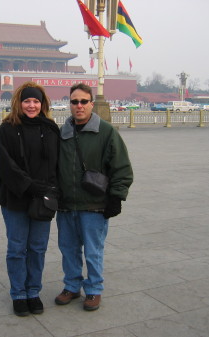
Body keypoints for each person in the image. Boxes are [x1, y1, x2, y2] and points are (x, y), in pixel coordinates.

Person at [55, 83, 133, 311]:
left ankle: (94, 289)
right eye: (74, 101)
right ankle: (71, 286)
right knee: (68, 250)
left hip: (94, 205)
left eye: (83, 102)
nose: (78, 106)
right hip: (67, 205)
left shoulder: (106, 132)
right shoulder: (63, 132)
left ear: (91, 104)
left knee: (93, 251)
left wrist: (116, 197)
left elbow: (122, 167)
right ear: (69, 104)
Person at [0, 81, 60, 316]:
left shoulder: (51, 129)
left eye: (36, 101)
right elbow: (5, 166)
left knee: (38, 248)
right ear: (18, 103)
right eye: (27, 101)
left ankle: (33, 291)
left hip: (43, 198)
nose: (31, 105)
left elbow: (58, 165)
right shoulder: (7, 129)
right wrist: (30, 186)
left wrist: (53, 191)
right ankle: (19, 294)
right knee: (17, 248)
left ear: (43, 104)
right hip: (15, 198)